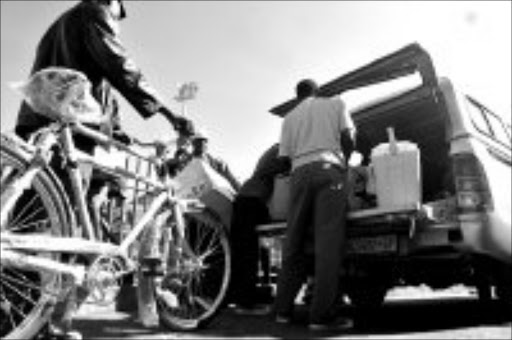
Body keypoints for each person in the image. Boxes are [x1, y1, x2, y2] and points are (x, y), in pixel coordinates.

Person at [14, 1, 194, 339]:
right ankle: (32, 322)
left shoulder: (58, 29)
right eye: (118, 14)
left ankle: (47, 321)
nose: (118, 22)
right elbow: (120, 64)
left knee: (46, 227)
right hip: (69, 132)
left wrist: (131, 142)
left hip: (38, 126)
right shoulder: (93, 12)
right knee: (73, 238)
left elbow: (107, 112)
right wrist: (169, 113)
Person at [273, 79, 356, 331]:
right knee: (327, 244)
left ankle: (282, 312)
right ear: (317, 91)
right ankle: (321, 316)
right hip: (328, 169)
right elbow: (349, 137)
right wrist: (345, 162)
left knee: (294, 243)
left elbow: (282, 161)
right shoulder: (335, 104)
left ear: (297, 96)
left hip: (298, 177)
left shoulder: (288, 118)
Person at [229, 143, 290, 314]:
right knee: (248, 253)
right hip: (252, 200)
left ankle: (242, 300)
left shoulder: (272, 151)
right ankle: (245, 304)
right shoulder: (281, 151)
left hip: (244, 199)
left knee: (244, 252)